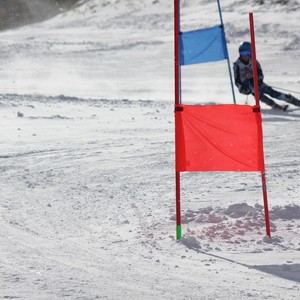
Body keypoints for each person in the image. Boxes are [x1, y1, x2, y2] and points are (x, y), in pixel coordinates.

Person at [233, 41, 300, 111]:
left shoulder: (253, 61)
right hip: (248, 85)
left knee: (272, 92)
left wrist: (259, 79)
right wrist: (242, 89)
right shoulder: (237, 65)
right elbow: (237, 80)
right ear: (239, 53)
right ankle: (274, 105)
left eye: (248, 53)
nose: (245, 56)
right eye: (243, 53)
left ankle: (294, 101)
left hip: (257, 81)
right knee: (259, 96)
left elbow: (260, 72)